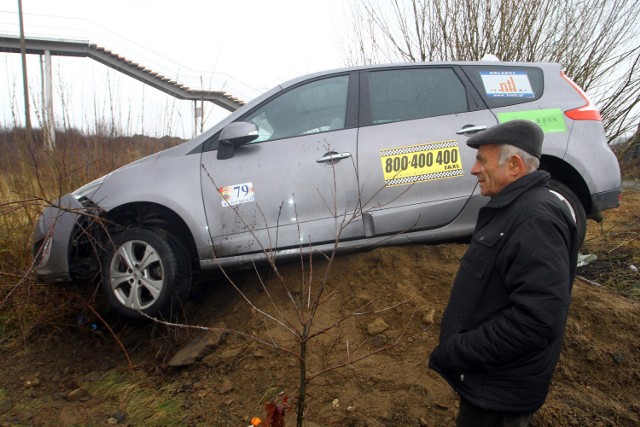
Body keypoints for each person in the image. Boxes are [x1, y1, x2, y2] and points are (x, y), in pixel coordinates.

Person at [429, 120, 579, 427]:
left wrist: (457, 351)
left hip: (501, 393)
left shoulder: (533, 219)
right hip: (491, 381)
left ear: (513, 165)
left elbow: (535, 321)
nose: (474, 169)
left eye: (482, 160)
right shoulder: (514, 209)